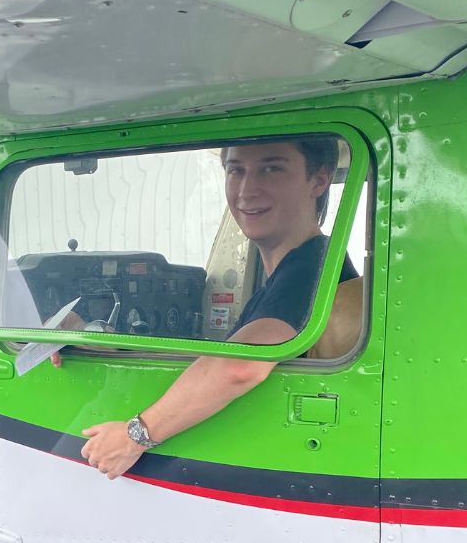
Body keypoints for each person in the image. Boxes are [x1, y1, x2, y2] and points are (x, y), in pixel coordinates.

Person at [74, 135, 356, 479]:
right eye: (236, 170)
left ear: (319, 180)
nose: (246, 190)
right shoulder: (298, 268)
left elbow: (241, 366)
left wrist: (135, 435)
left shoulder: (310, 270)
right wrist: (90, 340)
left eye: (271, 169)